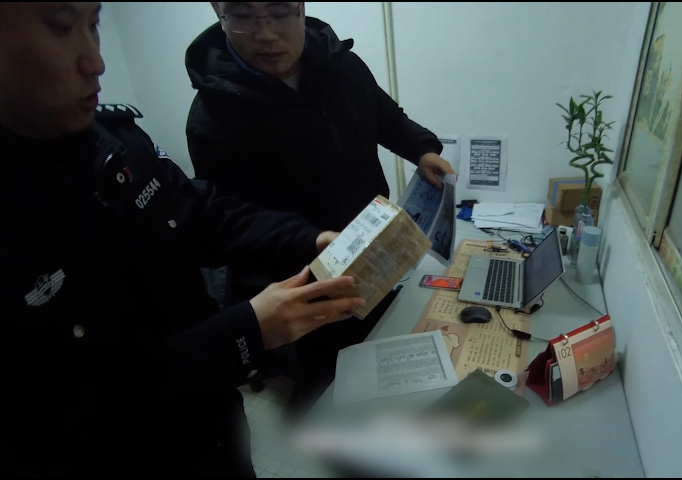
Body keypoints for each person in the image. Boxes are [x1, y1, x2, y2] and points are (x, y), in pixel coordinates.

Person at [0, 2, 364, 476]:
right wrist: (245, 331)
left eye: (94, 25)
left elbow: (203, 213)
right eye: (62, 28)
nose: (96, 61)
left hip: (213, 431)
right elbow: (59, 414)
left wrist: (311, 239)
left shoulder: (116, 143)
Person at [185, 1, 456, 401]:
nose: (266, 33)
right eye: (242, 16)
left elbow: (383, 115)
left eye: (280, 12)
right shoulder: (212, 115)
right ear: (217, 10)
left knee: (390, 353)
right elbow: (231, 221)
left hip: (374, 250)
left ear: (301, 6)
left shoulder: (341, 64)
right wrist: (310, 241)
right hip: (303, 274)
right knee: (333, 388)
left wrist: (421, 148)